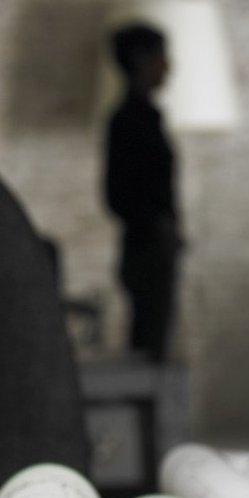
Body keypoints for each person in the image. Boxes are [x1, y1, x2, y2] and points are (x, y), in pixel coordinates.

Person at [104, 22, 183, 363]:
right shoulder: (130, 120)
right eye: (161, 57)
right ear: (141, 59)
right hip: (147, 249)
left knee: (152, 342)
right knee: (150, 347)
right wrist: (158, 223)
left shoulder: (142, 117)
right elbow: (116, 194)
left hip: (149, 246)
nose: (168, 67)